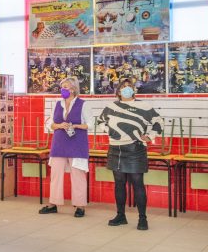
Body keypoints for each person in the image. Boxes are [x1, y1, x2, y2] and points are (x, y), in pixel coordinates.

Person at [96, 78, 163, 231]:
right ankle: (121, 216)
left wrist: (150, 136)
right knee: (119, 183)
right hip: (116, 149)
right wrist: (110, 131)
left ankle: (142, 218)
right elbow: (100, 121)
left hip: (136, 149)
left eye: (130, 87)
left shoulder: (144, 105)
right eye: (124, 87)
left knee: (137, 183)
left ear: (134, 90)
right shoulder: (111, 106)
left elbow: (159, 121)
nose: (127, 89)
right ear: (118, 91)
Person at [39, 76, 92, 218]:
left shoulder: (83, 104)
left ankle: (80, 206)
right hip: (59, 144)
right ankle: (53, 204)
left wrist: (75, 125)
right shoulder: (58, 104)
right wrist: (59, 125)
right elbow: (49, 123)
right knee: (55, 175)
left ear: (74, 89)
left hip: (77, 144)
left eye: (66, 87)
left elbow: (91, 125)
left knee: (78, 176)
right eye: (62, 87)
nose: (63, 89)